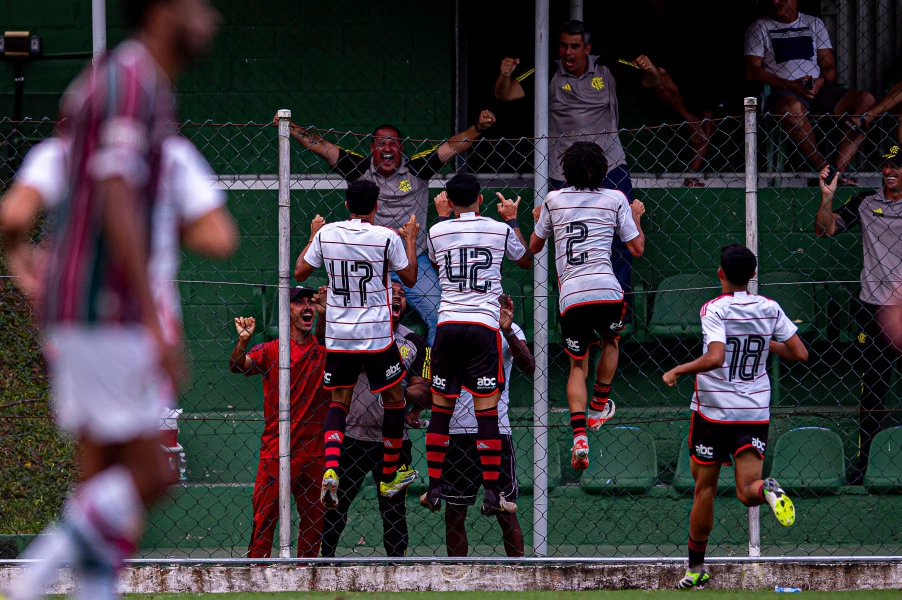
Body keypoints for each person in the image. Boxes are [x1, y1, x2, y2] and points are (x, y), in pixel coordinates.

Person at [0, 0, 226, 597]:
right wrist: (152, 318)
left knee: (100, 470)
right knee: (153, 473)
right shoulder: (132, 82)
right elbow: (118, 192)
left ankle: (91, 590)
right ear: (160, 10)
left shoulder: (114, 85)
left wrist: (27, 269)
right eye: (196, 5)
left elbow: (13, 217)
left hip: (79, 308)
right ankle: (33, 578)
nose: (210, 18)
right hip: (112, 309)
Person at [662, 244, 808, 589]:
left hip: (713, 412)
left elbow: (714, 358)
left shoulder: (714, 308)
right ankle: (768, 489)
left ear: (720, 273)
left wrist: (678, 370)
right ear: (753, 275)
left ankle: (696, 568)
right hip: (753, 411)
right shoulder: (770, 307)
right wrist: (761, 340)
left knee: (704, 490)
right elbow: (799, 353)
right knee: (747, 491)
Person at [283, 109, 497, 344]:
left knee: (440, 316)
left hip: (415, 260)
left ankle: (435, 376)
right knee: (352, 319)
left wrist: (477, 128)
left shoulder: (417, 168)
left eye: (393, 143)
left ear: (402, 148)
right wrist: (290, 127)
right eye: (381, 143)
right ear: (372, 147)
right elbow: (323, 147)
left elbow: (450, 148)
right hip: (369, 262)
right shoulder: (359, 169)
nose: (387, 148)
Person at [294, 179, 420, 509]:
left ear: (346, 206)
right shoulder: (386, 237)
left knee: (339, 402)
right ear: (376, 206)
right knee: (394, 400)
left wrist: (312, 234)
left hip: (340, 336)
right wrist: (410, 240)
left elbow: (300, 273)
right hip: (377, 337)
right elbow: (408, 279)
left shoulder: (328, 233)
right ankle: (390, 473)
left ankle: (332, 468)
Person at [494, 20, 637, 304]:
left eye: (574, 46)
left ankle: (619, 306)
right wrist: (503, 75)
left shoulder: (608, 68)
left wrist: (651, 69)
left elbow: (653, 80)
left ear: (587, 48)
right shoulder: (546, 70)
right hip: (565, 172)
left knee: (621, 239)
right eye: (563, 46)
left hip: (611, 166)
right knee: (565, 239)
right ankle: (573, 303)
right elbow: (504, 94)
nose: (568, 52)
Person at [419, 172, 532, 515]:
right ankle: (493, 492)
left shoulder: (436, 230)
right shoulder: (498, 229)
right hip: (484, 325)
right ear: (481, 199)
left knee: (440, 411)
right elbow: (524, 258)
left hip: (448, 324)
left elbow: (438, 261)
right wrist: (511, 220)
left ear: (449, 202)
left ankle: (435, 486)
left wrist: (441, 217)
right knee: (487, 414)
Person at [529, 141, 645, 471]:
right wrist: (636, 218)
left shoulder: (554, 199)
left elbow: (535, 246)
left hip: (572, 296)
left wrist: (539, 218)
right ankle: (598, 404)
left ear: (566, 170)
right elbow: (636, 248)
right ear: (603, 169)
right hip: (607, 290)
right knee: (611, 341)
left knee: (577, 365)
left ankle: (579, 435)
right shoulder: (615, 199)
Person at [320, 283, 432, 558]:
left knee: (393, 509)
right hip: (352, 437)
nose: (396, 298)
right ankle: (324, 560)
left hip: (393, 440)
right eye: (389, 293)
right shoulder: (357, 335)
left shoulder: (415, 342)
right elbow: (324, 340)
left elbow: (426, 391)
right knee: (337, 507)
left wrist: (398, 393)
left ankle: (395, 568)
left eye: (402, 295)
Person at [814, 145, 902, 481]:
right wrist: (827, 198)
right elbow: (826, 229)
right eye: (886, 166)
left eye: (897, 167)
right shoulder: (866, 201)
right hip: (873, 309)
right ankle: (865, 460)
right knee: (874, 384)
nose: (889, 172)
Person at [229, 286, 330, 558]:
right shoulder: (273, 350)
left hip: (315, 453)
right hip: (276, 451)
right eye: (299, 303)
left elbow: (326, 342)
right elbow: (239, 365)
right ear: (287, 311)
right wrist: (242, 341)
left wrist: (326, 311)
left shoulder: (323, 351)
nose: (307, 307)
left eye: (310, 302)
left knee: (313, 526)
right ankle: (256, 578)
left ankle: (305, 582)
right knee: (264, 521)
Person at [441, 294, 534, 557]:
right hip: (457, 430)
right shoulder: (449, 324)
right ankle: (457, 580)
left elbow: (530, 366)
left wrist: (507, 332)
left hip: (496, 429)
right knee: (455, 512)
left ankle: (519, 578)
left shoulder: (508, 327)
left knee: (505, 509)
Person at [744, 0, 875, 180]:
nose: (775, 2)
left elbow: (829, 67)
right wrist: (791, 85)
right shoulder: (759, 27)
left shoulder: (813, 23)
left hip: (816, 89)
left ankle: (839, 171)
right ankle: (824, 169)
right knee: (792, 108)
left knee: (866, 101)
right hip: (784, 92)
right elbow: (752, 71)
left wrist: (820, 82)